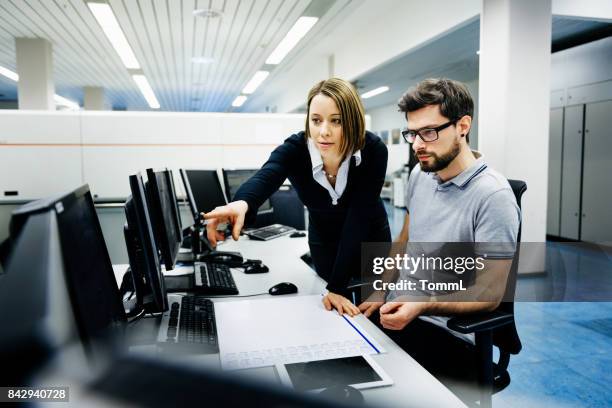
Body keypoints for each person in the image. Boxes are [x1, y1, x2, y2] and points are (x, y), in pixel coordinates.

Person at [357, 78, 520, 393]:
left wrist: (421, 303)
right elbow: (403, 243)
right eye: (412, 134)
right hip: (398, 313)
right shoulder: (422, 174)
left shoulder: (493, 196)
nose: (417, 144)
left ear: (462, 125)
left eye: (429, 132)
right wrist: (380, 290)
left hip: (448, 333)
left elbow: (490, 292)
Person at [204, 78, 391, 316]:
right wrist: (241, 203)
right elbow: (267, 175)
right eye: (316, 120)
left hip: (368, 235)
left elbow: (359, 218)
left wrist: (338, 286)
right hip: (323, 238)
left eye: (337, 121)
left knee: (373, 309)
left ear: (353, 121)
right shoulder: (296, 149)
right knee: (331, 309)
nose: (323, 131)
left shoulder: (373, 150)